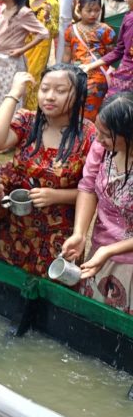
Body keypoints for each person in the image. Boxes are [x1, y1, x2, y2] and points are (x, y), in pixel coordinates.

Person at [0, 66, 94, 276]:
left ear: (78, 94)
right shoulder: (27, 121)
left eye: (60, 91)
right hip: (15, 229)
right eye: (44, 89)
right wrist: (14, 94)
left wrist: (57, 196)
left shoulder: (89, 135)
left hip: (59, 235)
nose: (50, 97)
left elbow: (94, 191)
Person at [63, 94, 133, 314]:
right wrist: (80, 234)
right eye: (99, 131)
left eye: (107, 135)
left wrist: (110, 250)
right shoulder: (102, 148)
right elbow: (88, 186)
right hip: (100, 250)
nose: (99, 139)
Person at [0, 0, 49, 128]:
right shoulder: (2, 9)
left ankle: (7, 133)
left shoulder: (23, 13)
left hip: (10, 62)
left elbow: (44, 33)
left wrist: (22, 50)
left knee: (8, 98)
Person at [65, 0, 116, 121]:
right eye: (89, 10)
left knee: (91, 111)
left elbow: (112, 54)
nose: (93, 14)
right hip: (76, 73)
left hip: (98, 75)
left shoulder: (105, 30)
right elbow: (67, 54)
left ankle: (90, 132)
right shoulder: (71, 30)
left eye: (97, 11)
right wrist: (63, 70)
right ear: (79, 9)